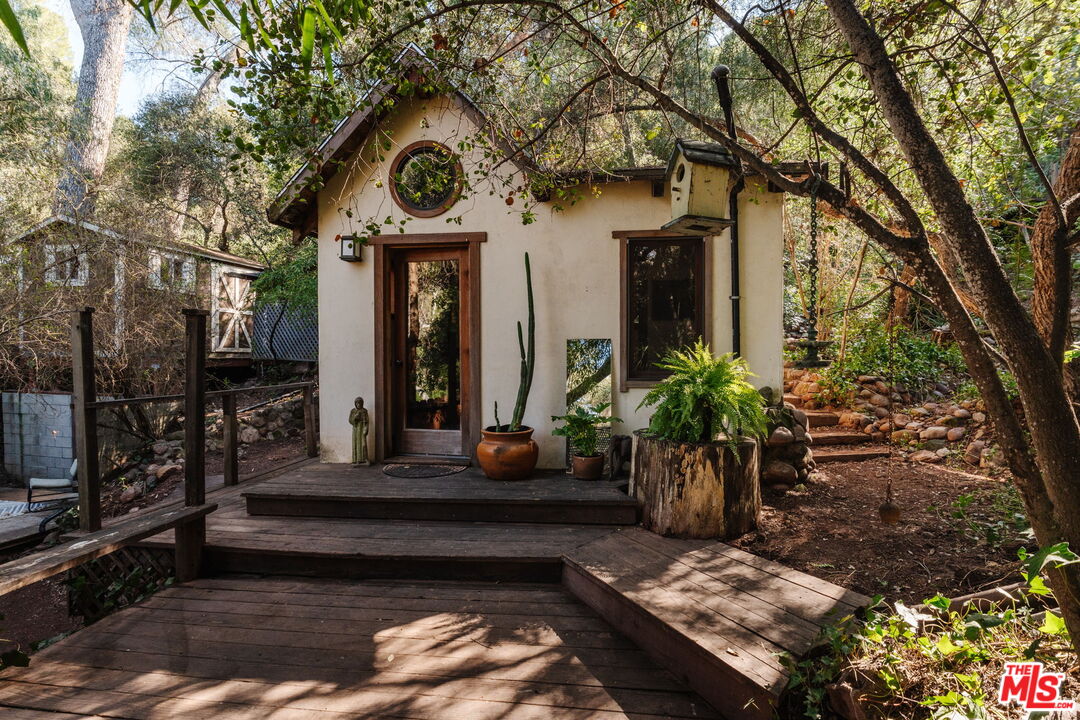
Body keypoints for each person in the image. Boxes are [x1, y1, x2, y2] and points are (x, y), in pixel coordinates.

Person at [349, 397, 370, 466]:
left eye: (360, 403)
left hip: (362, 429)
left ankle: (365, 459)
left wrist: (366, 429)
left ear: (362, 403)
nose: (358, 404)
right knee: (356, 444)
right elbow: (350, 420)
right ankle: (356, 460)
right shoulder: (353, 411)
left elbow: (367, 421)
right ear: (355, 404)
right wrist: (355, 417)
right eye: (357, 403)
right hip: (355, 429)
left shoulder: (364, 411)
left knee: (363, 444)